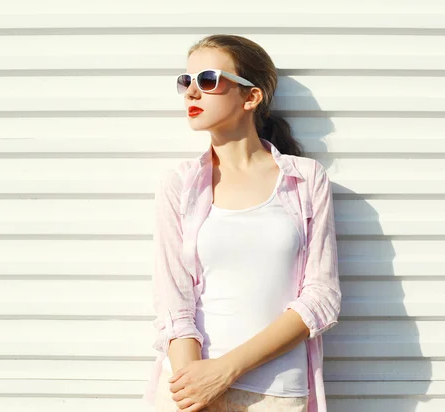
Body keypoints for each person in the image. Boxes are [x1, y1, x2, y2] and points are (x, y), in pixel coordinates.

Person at [142, 34, 341, 412]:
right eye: (187, 82)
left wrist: (225, 371)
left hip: (276, 392)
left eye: (208, 80)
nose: (192, 93)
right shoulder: (179, 184)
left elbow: (321, 298)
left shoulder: (305, 179)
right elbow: (174, 302)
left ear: (251, 97)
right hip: (188, 389)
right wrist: (194, 385)